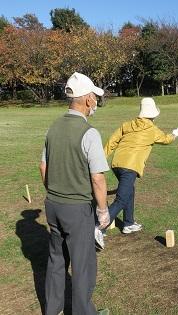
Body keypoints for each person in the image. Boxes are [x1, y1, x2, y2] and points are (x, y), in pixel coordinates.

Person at [39, 72, 110, 315]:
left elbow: (43, 167)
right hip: (77, 209)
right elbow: (98, 178)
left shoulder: (53, 127)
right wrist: (103, 211)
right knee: (83, 265)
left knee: (56, 260)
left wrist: (55, 192)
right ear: (88, 100)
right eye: (95, 99)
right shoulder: (89, 132)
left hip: (53, 205)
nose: (96, 104)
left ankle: (53, 310)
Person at [103, 97, 178, 235]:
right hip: (130, 167)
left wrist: (102, 158)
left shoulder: (127, 124)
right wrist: (174, 134)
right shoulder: (152, 130)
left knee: (129, 192)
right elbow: (166, 139)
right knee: (121, 199)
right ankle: (98, 227)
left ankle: (128, 223)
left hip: (117, 164)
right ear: (153, 116)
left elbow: (112, 141)